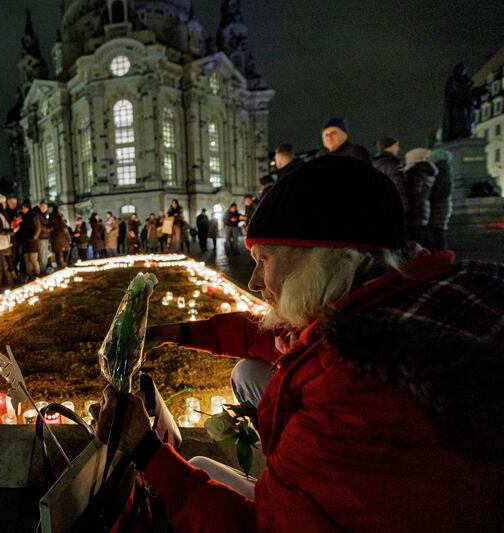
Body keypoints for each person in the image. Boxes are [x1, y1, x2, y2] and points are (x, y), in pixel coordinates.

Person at [91, 156, 504, 532]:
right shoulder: (405, 295)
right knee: (249, 372)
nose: (253, 283)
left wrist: (145, 449)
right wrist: (172, 333)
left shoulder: (353, 385)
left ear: (320, 259)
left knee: (194, 465)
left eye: (264, 260)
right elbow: (269, 337)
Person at [402, 148, 437, 248]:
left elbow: (416, 193)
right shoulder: (426, 170)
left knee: (416, 239)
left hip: (416, 211)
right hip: (421, 209)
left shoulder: (417, 172)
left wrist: (408, 208)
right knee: (419, 236)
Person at [426, 149, 453, 251]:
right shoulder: (444, 169)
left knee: (437, 234)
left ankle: (442, 259)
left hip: (438, 207)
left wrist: (430, 197)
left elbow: (442, 190)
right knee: (437, 233)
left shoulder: (440, 170)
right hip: (441, 207)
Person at [36, 200, 51, 274]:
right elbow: (39, 226)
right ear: (40, 206)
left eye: (45, 207)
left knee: (45, 254)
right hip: (41, 237)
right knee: (42, 254)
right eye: (42, 207)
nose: (44, 208)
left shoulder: (45, 214)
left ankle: (44, 268)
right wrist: (48, 229)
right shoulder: (38, 214)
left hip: (45, 236)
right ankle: (42, 269)